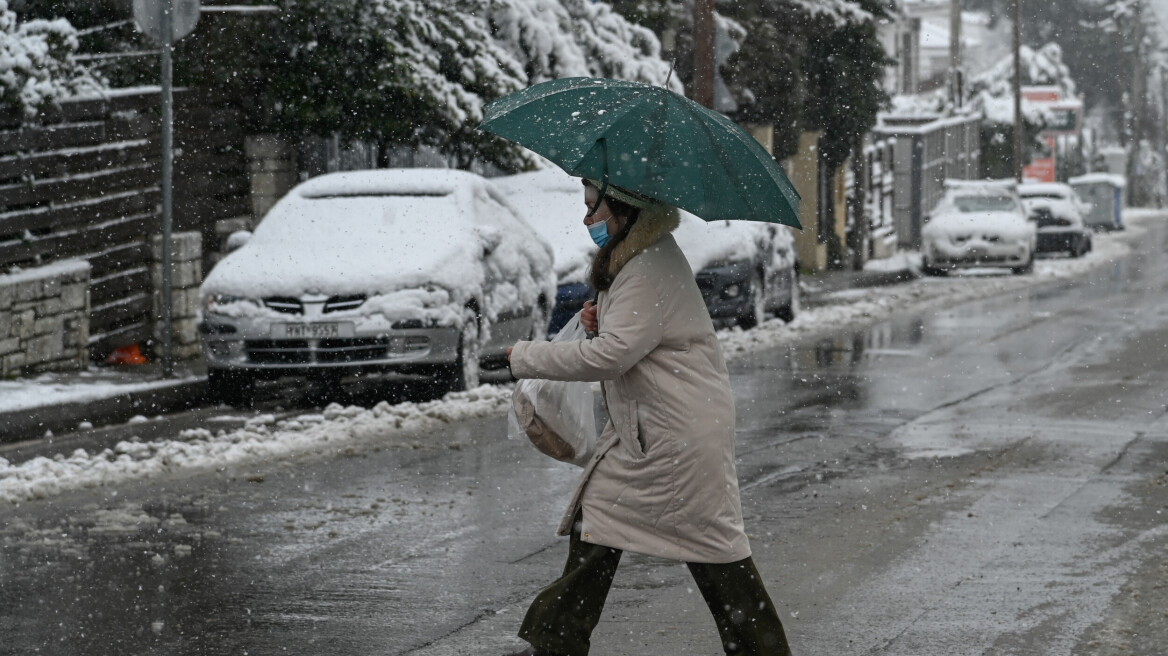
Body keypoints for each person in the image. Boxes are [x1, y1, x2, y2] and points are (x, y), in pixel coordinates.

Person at [503, 179, 793, 656]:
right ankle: (556, 640)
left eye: (592, 209)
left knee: (712, 549)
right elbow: (630, 337)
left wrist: (525, 357)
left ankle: (761, 648)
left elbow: (610, 359)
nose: (587, 220)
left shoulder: (647, 266)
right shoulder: (640, 261)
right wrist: (603, 320)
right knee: (597, 524)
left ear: (622, 208)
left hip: (675, 438)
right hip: (654, 433)